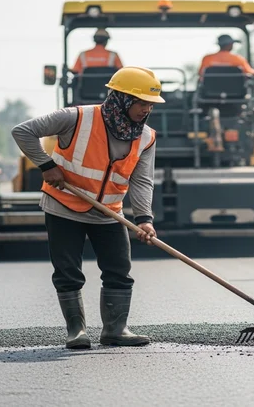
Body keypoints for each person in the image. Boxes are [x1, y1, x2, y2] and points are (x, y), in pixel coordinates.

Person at [11, 66, 165, 349]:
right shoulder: (76, 117)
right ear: (123, 98)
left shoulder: (146, 137)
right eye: (142, 102)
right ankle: (76, 331)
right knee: (68, 271)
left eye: (150, 104)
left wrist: (144, 219)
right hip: (64, 206)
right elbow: (23, 131)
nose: (147, 109)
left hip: (109, 212)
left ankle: (115, 330)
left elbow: (142, 181)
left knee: (119, 270)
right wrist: (47, 166)